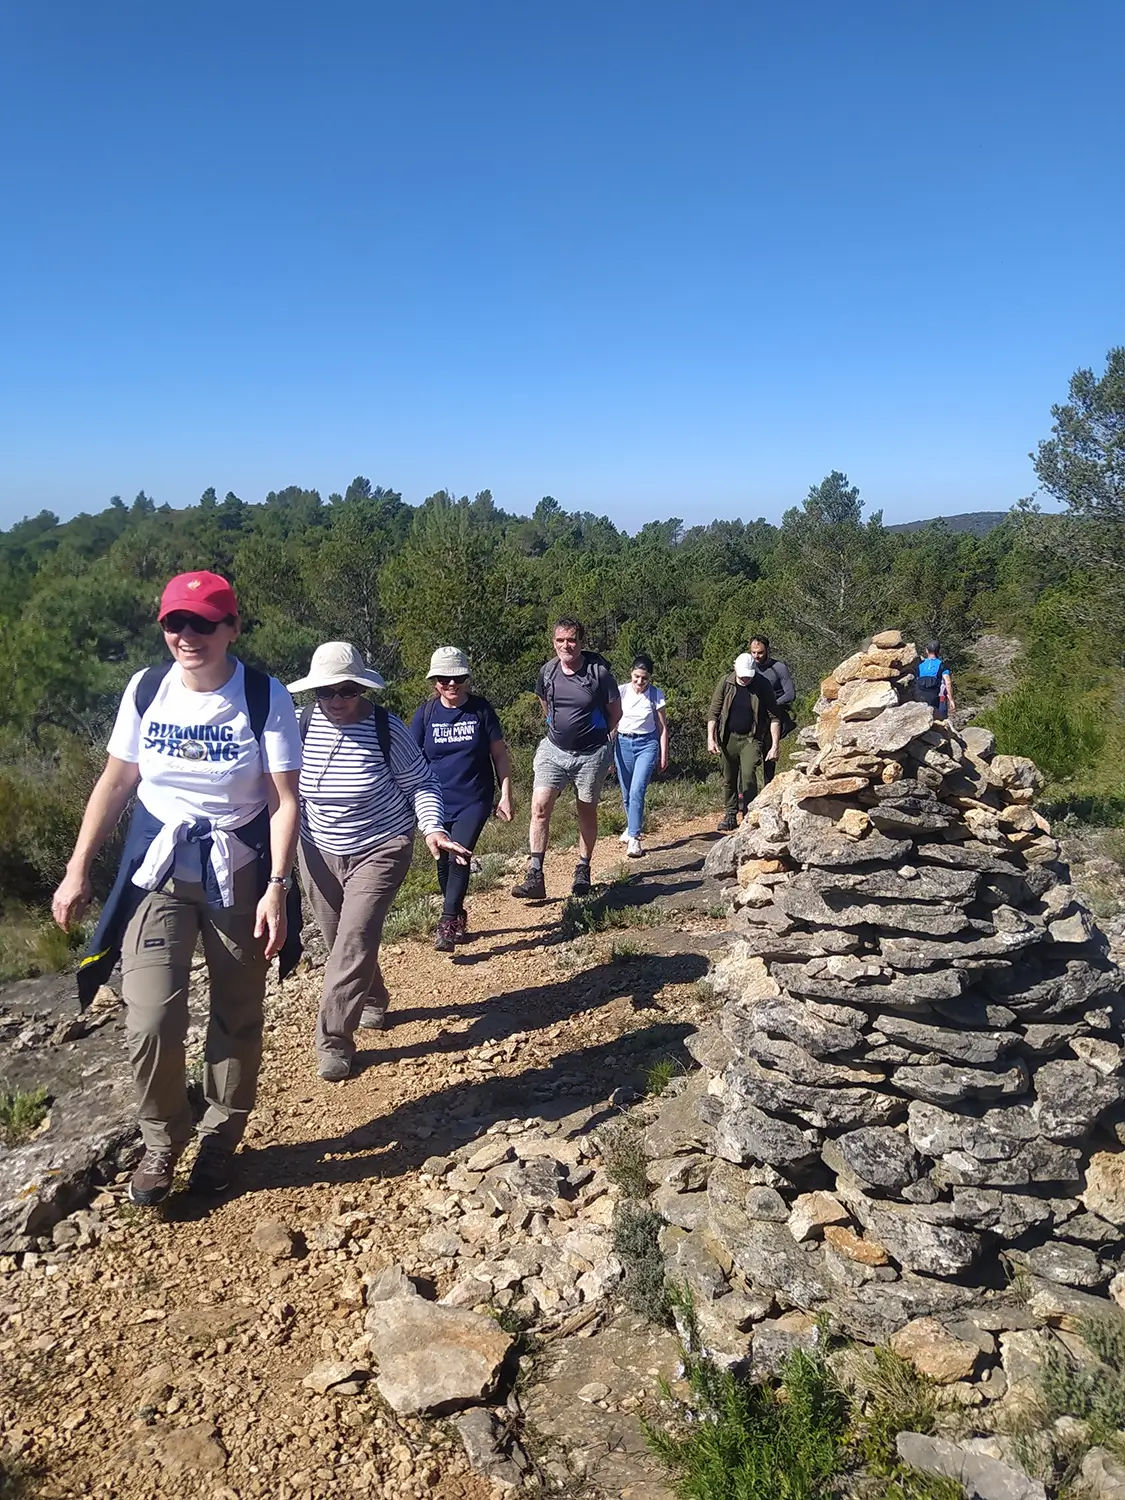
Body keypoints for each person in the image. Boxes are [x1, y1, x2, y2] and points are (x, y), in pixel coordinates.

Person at [52, 570, 303, 1207]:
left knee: (238, 1014)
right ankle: (163, 1139)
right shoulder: (146, 690)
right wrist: (79, 866)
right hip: (159, 865)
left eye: (202, 623)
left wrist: (276, 886)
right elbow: (116, 782)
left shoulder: (263, 696)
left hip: (237, 865)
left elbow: (282, 800)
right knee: (151, 1016)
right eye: (174, 623)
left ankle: (221, 1135)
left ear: (231, 628)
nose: (186, 635)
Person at [289, 642, 471, 1082]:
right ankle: (372, 997)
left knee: (353, 939)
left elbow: (422, 782)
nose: (335, 700)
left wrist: (433, 829)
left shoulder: (387, 728)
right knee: (339, 940)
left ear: (361, 689)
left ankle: (333, 1040)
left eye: (347, 690)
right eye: (326, 692)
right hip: (315, 848)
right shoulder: (299, 726)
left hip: (381, 846)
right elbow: (279, 788)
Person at [411, 646, 514, 953]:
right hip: (435, 800)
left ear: (467, 678)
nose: (451, 684)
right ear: (434, 682)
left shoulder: (481, 710)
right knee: (442, 860)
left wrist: (506, 793)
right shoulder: (426, 714)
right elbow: (411, 759)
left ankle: (446, 921)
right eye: (444, 679)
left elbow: (499, 754)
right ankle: (456, 911)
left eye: (457, 678)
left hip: (474, 797)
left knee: (460, 853)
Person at [511, 617, 621, 901]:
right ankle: (535, 874)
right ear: (554, 642)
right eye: (560, 640)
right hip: (554, 749)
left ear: (581, 642)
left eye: (571, 640)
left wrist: (604, 745)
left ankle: (583, 868)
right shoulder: (548, 672)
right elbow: (545, 704)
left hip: (591, 754)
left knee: (585, 810)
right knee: (539, 807)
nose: (566, 646)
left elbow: (615, 713)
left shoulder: (599, 674)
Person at [707, 652, 781, 831]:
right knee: (729, 778)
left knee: (748, 776)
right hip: (728, 737)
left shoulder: (762, 685)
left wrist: (775, 746)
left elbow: (775, 717)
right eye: (742, 676)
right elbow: (713, 713)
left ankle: (749, 815)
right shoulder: (726, 682)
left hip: (751, 738)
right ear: (735, 669)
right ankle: (730, 815)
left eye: (749, 676)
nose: (746, 679)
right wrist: (711, 738)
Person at [613, 654, 668, 859]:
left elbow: (662, 727)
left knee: (637, 789)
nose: (639, 682)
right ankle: (630, 827)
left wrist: (664, 752)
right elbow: (613, 722)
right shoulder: (621, 691)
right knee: (627, 793)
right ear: (631, 674)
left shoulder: (656, 695)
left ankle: (635, 838)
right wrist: (609, 753)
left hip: (647, 744)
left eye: (644, 678)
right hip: (623, 743)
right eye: (636, 677)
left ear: (650, 678)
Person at [747, 634, 796, 789]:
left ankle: (768, 790)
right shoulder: (749, 667)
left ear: (767, 650)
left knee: (769, 757)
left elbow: (790, 694)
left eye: (760, 652)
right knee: (749, 757)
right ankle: (748, 793)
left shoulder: (778, 668)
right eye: (753, 652)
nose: (756, 656)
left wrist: (771, 705)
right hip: (752, 718)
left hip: (772, 719)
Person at [915, 643, 956, 720]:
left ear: (927, 651)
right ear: (938, 651)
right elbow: (948, 682)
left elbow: (916, 679)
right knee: (936, 718)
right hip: (934, 696)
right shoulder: (942, 665)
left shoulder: (920, 665)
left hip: (920, 695)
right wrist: (951, 699)